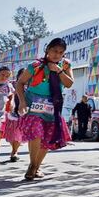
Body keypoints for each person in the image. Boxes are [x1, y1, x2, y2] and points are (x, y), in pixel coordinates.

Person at [13, 38, 74, 181]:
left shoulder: (65, 65)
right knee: (36, 132)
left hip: (53, 104)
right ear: (47, 50)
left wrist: (58, 70)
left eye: (60, 52)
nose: (57, 55)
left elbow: (69, 83)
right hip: (33, 103)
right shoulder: (35, 65)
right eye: (54, 51)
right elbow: (20, 83)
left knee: (48, 136)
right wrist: (21, 102)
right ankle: (32, 166)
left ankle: (36, 166)